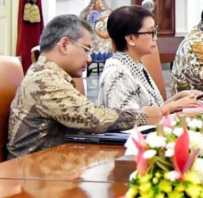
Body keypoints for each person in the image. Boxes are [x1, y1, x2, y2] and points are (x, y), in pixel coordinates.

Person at [7, 15, 163, 158]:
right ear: (64, 45)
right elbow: (93, 119)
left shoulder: (49, 74)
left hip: (55, 163)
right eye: (86, 49)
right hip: (32, 173)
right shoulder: (43, 80)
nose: (89, 59)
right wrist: (143, 116)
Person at [98, 5, 203, 112]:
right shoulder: (117, 73)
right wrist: (174, 106)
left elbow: (153, 107)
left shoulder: (135, 64)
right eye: (150, 32)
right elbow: (129, 119)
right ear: (130, 38)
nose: (156, 37)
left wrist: (179, 98)